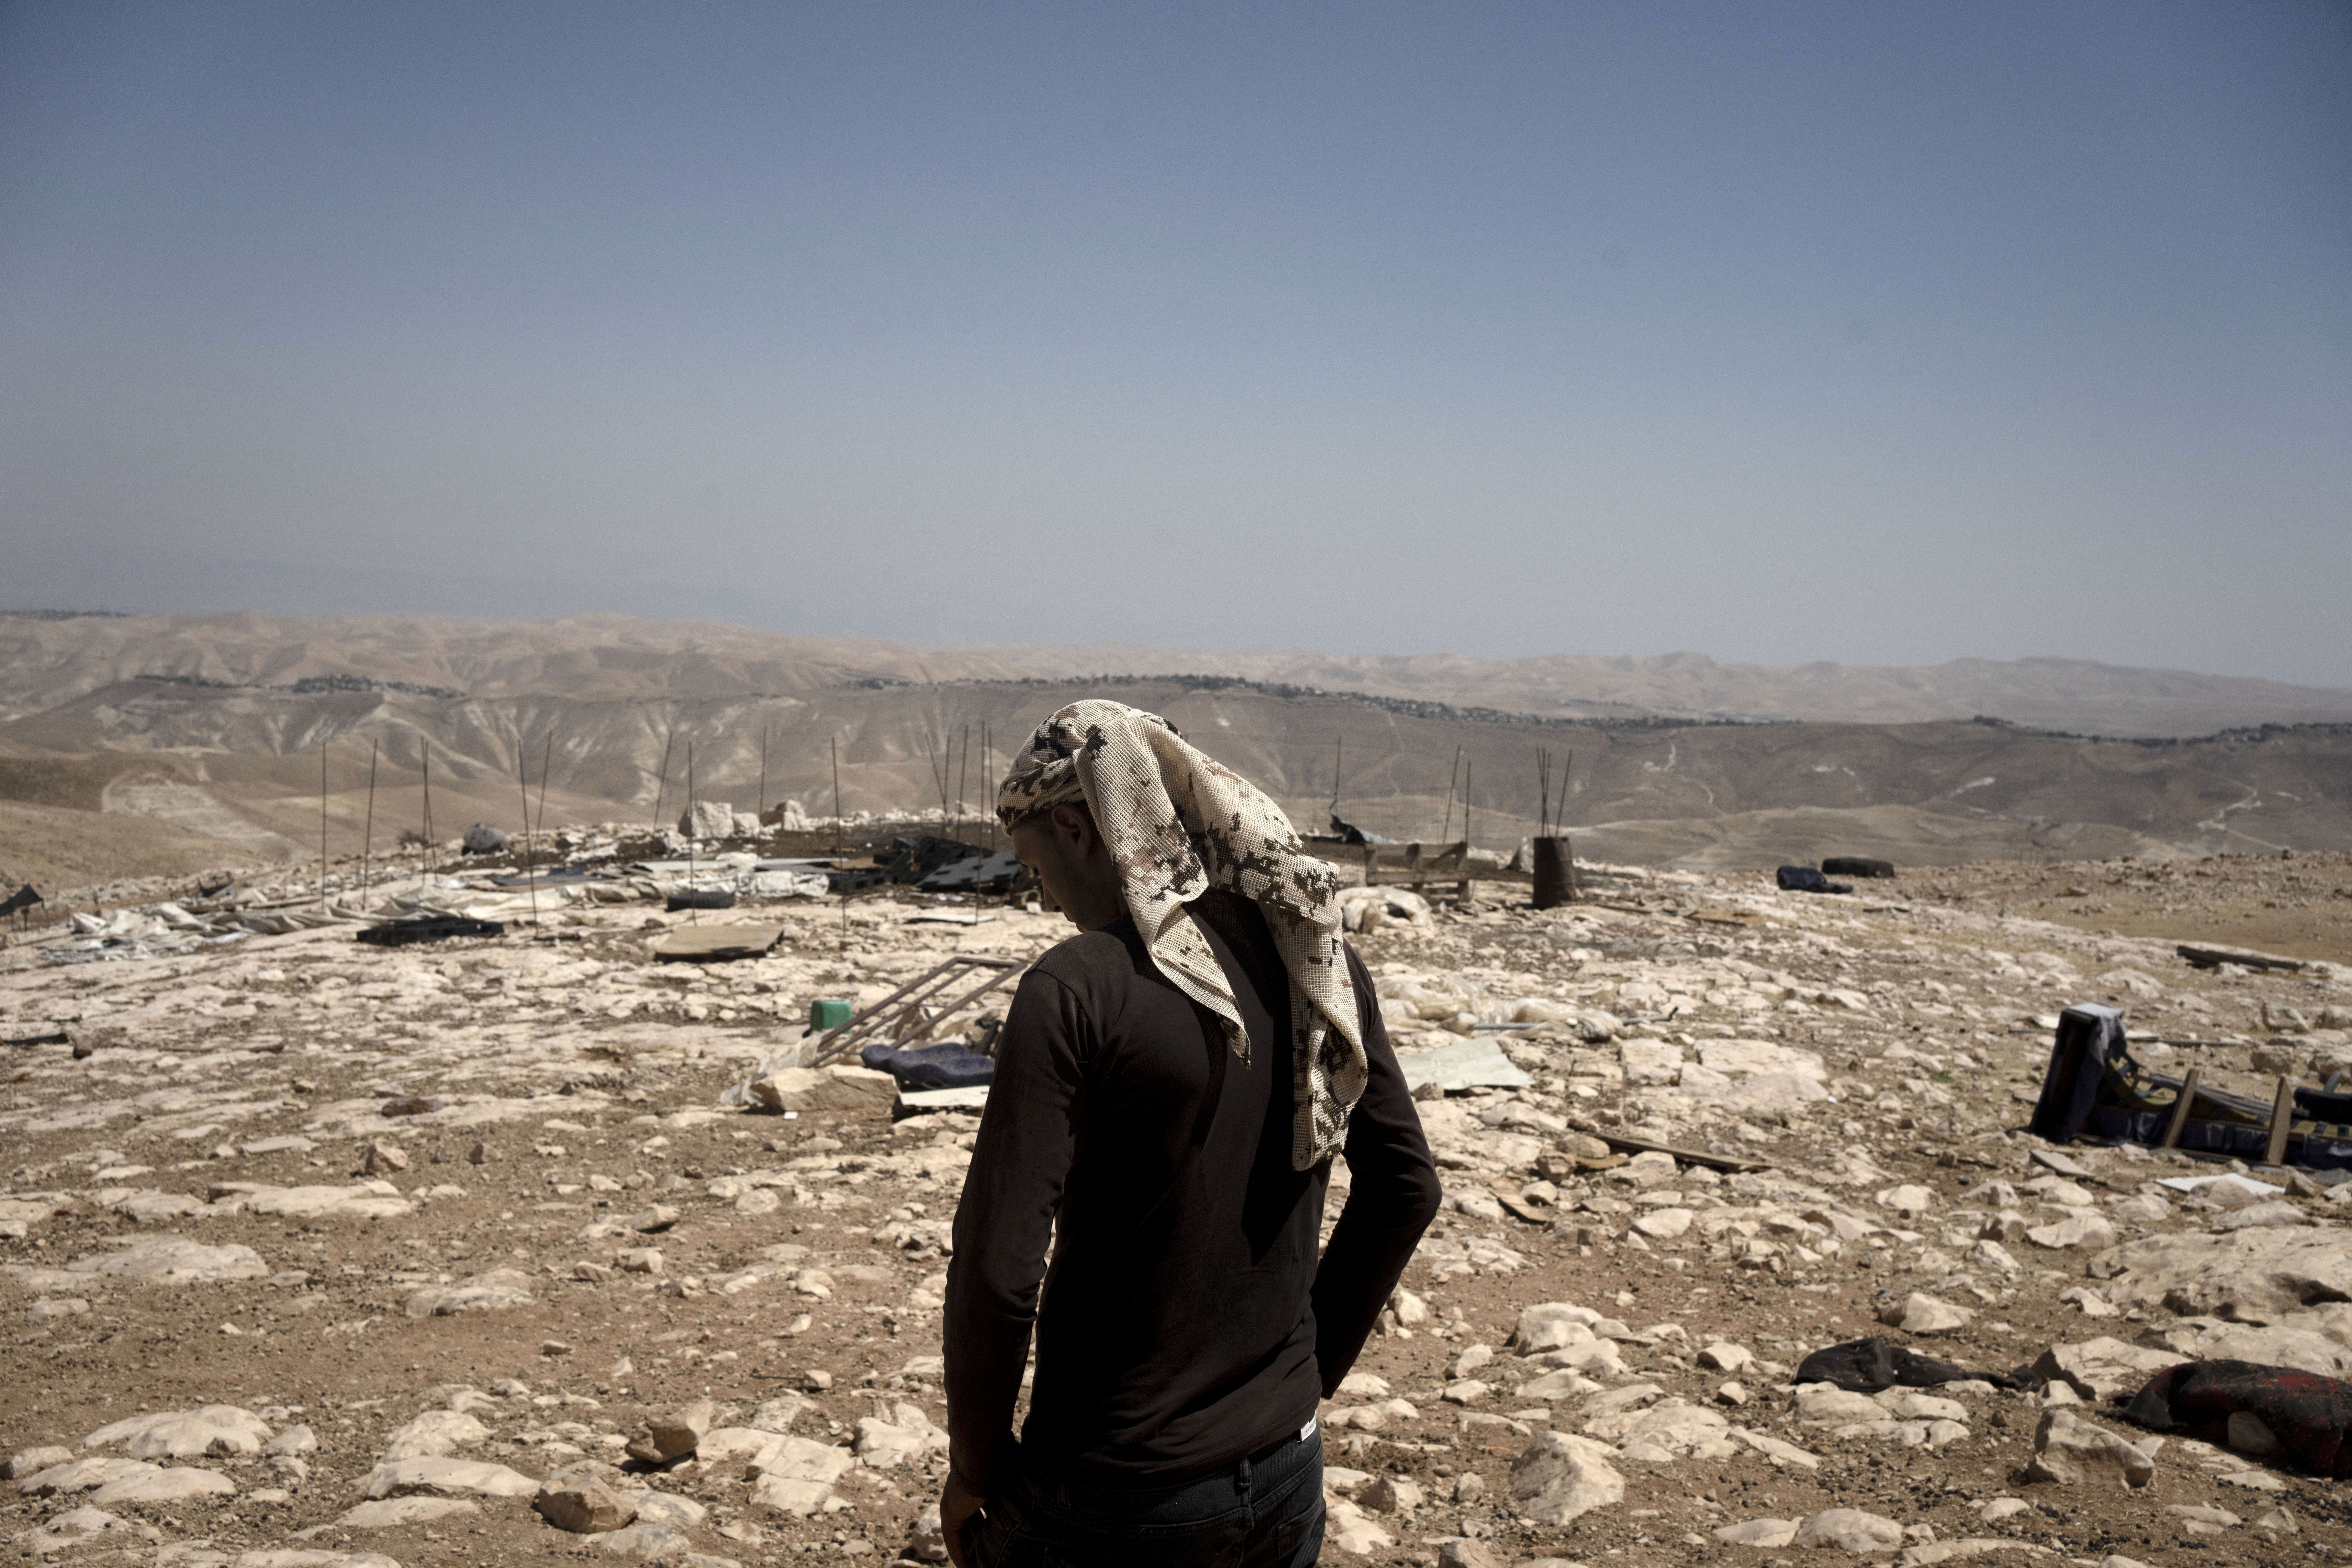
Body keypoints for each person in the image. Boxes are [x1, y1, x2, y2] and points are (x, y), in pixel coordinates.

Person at [942, 702, 1441, 1568]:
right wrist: (1299, 1378)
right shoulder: (1315, 959)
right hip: (1287, 1474)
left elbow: (997, 1272)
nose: (1045, 897)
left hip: (1112, 1494)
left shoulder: (1077, 986)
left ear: (1077, 826)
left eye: (1036, 867)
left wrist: (976, 1469)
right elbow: (1407, 1187)